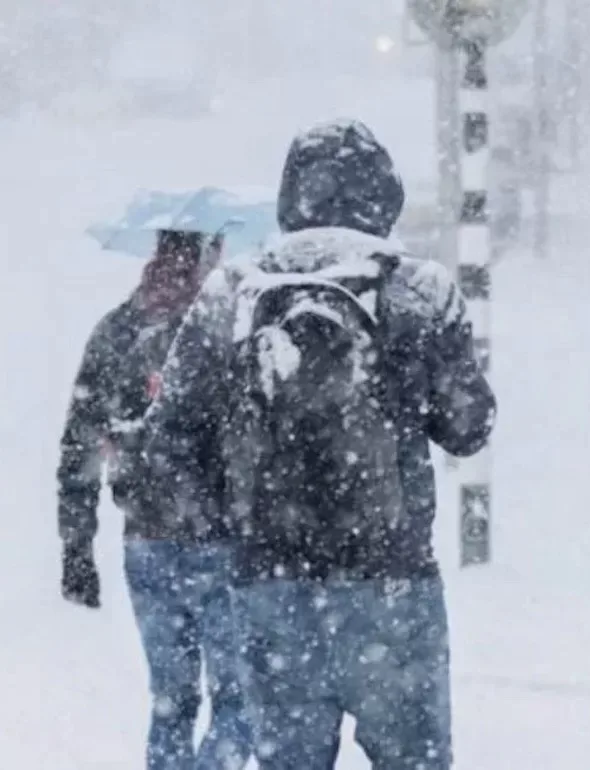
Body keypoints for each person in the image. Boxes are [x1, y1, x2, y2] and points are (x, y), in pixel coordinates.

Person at [142, 118, 496, 769]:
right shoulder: (421, 289)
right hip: (394, 585)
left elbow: (168, 442)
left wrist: (237, 517)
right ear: (384, 196)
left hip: (271, 590)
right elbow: (468, 428)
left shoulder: (231, 293)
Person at [57, 229, 252, 769]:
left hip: (146, 541)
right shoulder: (229, 328)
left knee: (172, 701)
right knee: (237, 701)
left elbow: (78, 446)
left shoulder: (118, 330)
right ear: (210, 253)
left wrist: (77, 547)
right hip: (223, 540)